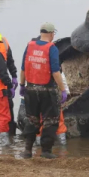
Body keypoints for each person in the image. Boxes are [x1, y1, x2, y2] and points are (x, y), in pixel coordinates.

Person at [18, 22, 67, 159]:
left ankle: (27, 150)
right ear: (51, 34)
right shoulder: (52, 48)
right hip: (47, 90)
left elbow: (23, 69)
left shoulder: (29, 46)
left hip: (31, 89)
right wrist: (63, 90)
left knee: (32, 119)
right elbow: (56, 72)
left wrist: (22, 85)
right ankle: (46, 151)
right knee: (50, 121)